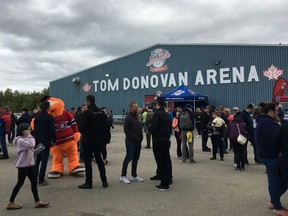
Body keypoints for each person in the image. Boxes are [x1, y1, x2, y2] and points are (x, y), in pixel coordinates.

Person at [7, 123, 49, 210]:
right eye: (29, 129)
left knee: (33, 182)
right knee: (20, 183)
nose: (30, 131)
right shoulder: (20, 140)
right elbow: (31, 145)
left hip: (29, 164)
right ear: (24, 131)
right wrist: (29, 136)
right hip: (23, 165)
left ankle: (37, 201)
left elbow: (31, 146)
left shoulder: (25, 138)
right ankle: (11, 202)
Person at [255, 102, 287, 215]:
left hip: (264, 154)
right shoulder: (268, 123)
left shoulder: (263, 121)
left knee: (275, 181)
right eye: (276, 110)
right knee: (276, 181)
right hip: (270, 156)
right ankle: (276, 206)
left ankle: (274, 202)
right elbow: (278, 140)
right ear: (271, 111)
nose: (278, 112)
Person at [78, 95, 109, 189]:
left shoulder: (86, 113)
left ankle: (89, 182)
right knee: (99, 159)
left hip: (88, 140)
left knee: (88, 162)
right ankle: (104, 180)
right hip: (98, 140)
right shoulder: (101, 112)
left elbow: (82, 127)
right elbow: (107, 125)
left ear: (88, 101)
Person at [149, 99, 172, 191]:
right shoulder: (166, 114)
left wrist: (149, 129)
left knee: (161, 161)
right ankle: (167, 178)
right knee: (166, 160)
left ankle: (164, 183)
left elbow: (154, 127)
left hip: (159, 140)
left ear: (157, 105)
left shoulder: (157, 114)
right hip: (166, 139)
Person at [120, 102, 144, 184]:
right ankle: (123, 176)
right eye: (135, 107)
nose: (137, 108)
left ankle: (134, 175)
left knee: (136, 158)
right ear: (130, 108)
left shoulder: (137, 117)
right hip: (131, 142)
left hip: (138, 142)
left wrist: (140, 138)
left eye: (137, 107)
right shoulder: (128, 118)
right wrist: (134, 137)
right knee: (129, 158)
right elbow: (126, 130)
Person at [33, 101, 56, 186]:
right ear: (48, 107)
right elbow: (52, 131)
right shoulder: (49, 117)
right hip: (45, 141)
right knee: (44, 161)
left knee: (37, 160)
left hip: (37, 141)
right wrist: (54, 141)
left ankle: (34, 178)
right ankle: (41, 180)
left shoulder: (37, 117)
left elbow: (34, 129)